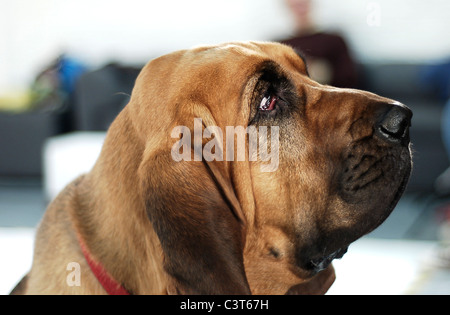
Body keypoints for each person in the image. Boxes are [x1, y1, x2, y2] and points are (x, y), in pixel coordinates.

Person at [279, 0, 359, 88]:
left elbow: (350, 80)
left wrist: (321, 73)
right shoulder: (280, 46)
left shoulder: (334, 40)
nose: (299, 2)